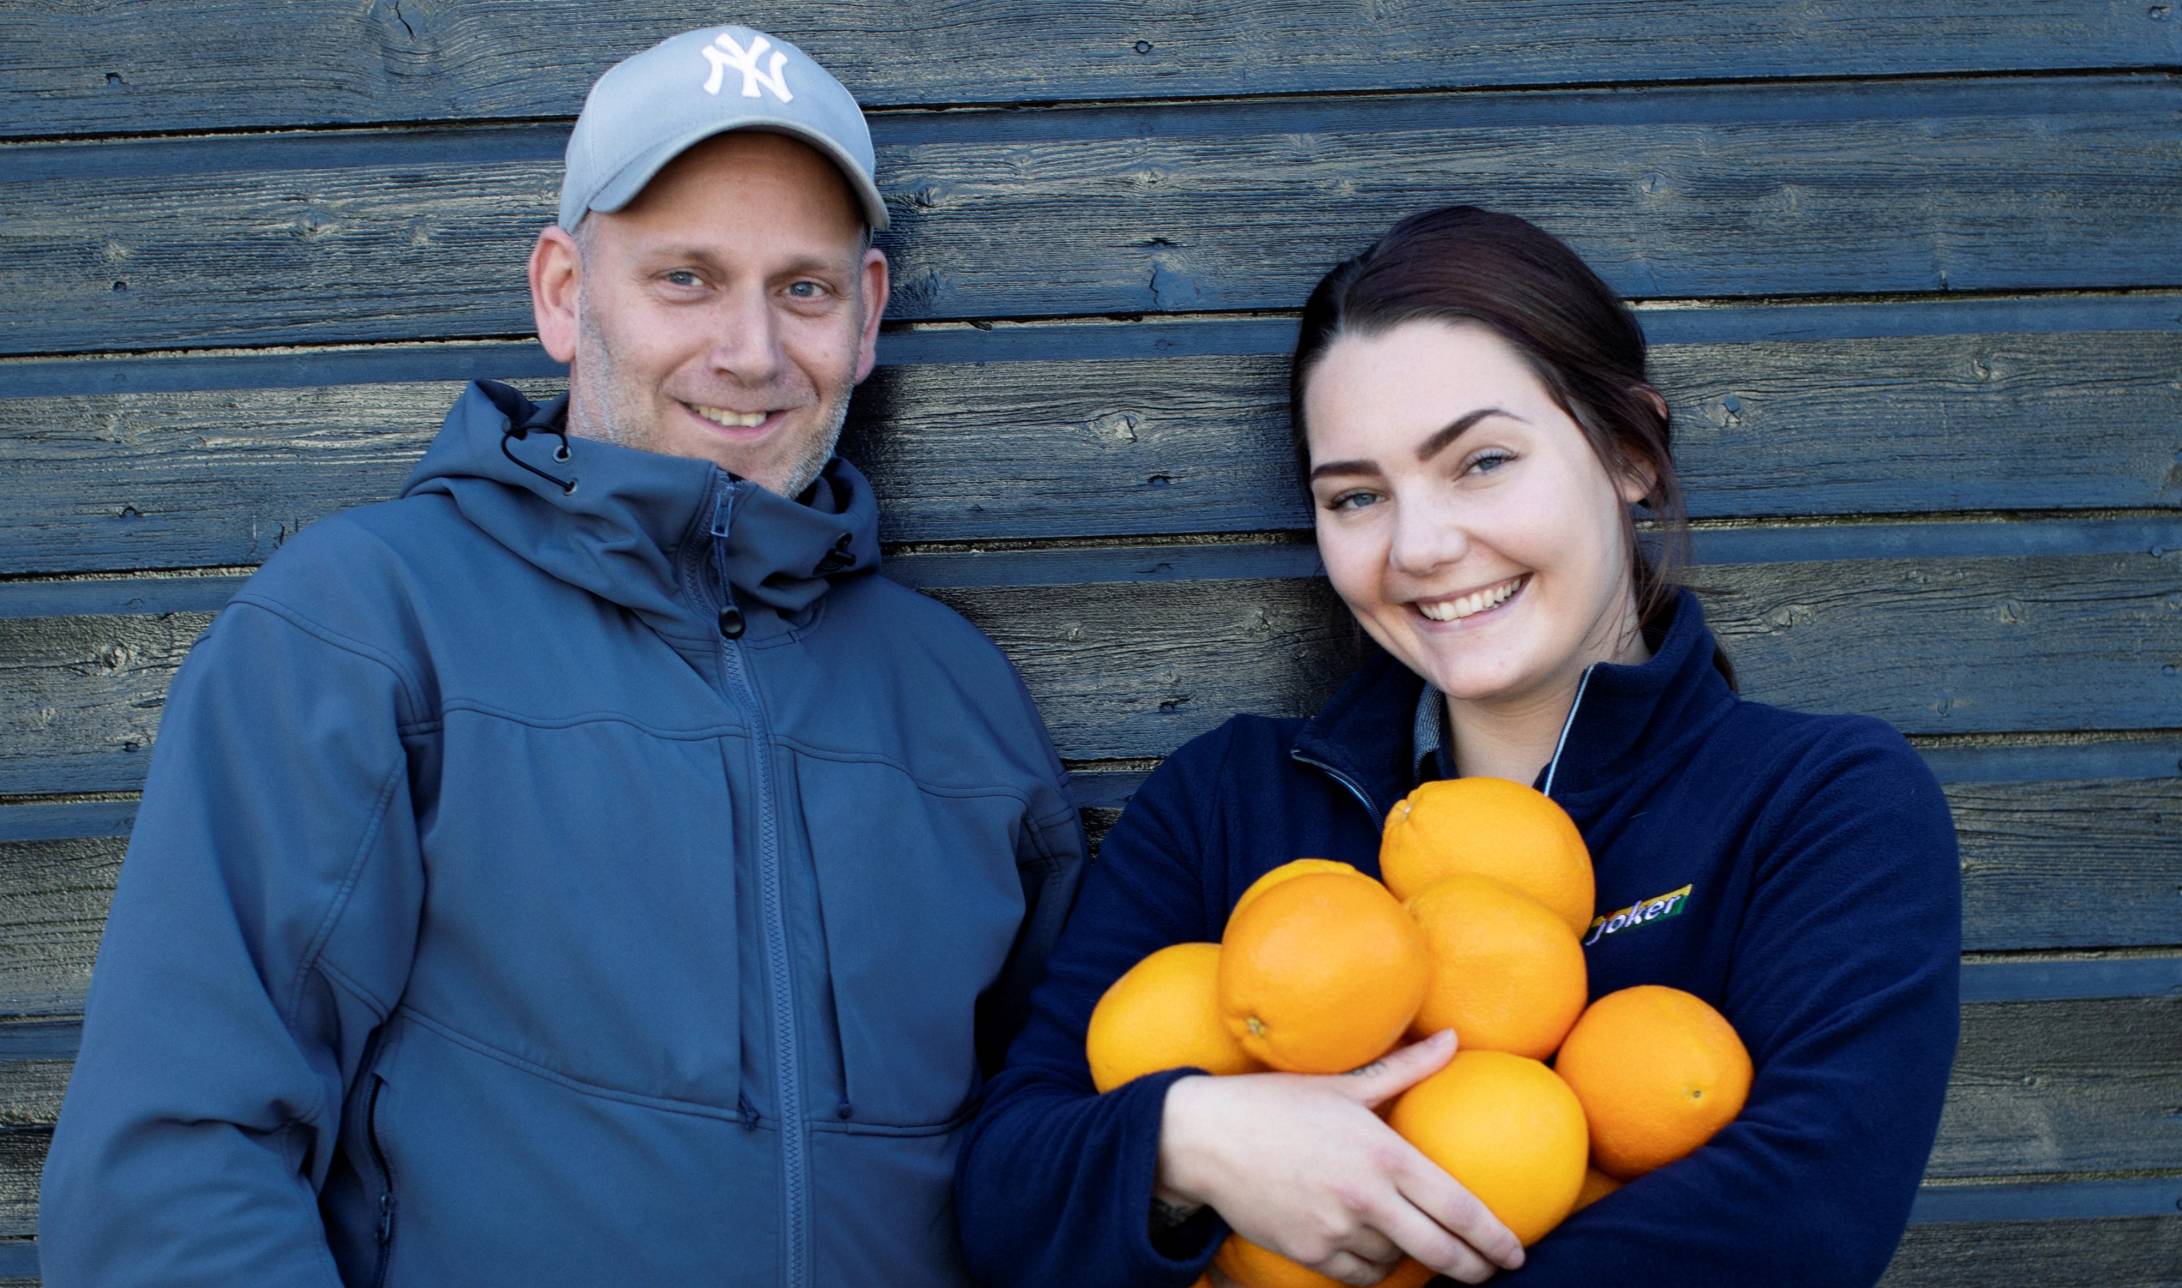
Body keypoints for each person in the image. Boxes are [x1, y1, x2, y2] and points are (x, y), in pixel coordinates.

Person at [40, 25, 1085, 1287]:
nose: (750, 352)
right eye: (685, 279)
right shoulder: (366, 625)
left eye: (800, 287)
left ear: (866, 316)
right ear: (560, 290)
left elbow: (1053, 1151)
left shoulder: (958, 700)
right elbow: (170, 1170)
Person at [954, 206, 1960, 1287]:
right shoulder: (1224, 803)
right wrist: (1187, 1140)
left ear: (1628, 451)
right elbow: (1009, 1196)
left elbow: (1798, 1225)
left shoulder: (1821, 806)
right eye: (1356, 495)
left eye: (1481, 461)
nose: (1422, 546)